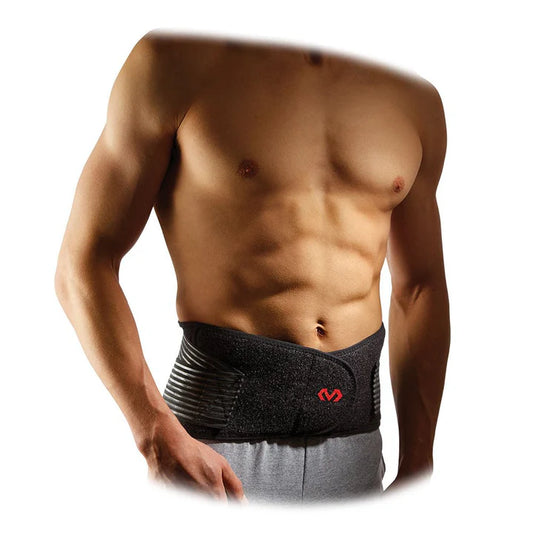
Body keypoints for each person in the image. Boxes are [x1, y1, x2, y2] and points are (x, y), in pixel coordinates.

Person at [55, 30, 450, 504]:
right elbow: (83, 263)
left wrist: (419, 461)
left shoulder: (413, 97)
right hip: (212, 455)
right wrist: (153, 429)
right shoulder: (176, 61)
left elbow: (420, 287)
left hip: (358, 454)